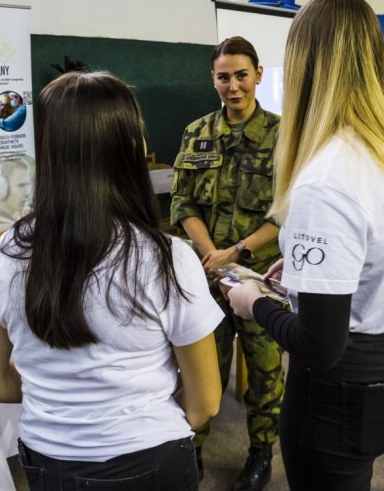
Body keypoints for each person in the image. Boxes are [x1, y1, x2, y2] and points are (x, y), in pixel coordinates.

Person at [0, 71, 223, 491]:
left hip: (49, 459)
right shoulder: (168, 258)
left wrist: (62, 402)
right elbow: (206, 400)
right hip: (151, 457)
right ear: (129, 150)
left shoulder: (6, 254)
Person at [226, 0, 384, 491]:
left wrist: (252, 302)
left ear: (303, 66)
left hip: (340, 393)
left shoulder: (326, 179)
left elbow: (320, 345)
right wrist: (302, 279)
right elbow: (377, 260)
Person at [170, 36, 284, 490]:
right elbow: (182, 203)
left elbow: (286, 211)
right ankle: (192, 451)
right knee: (200, 369)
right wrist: (210, 255)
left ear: (258, 74)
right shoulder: (197, 132)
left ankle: (261, 454)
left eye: (241, 75)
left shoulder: (283, 135)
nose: (233, 86)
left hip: (259, 280)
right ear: (213, 79)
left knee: (265, 371)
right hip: (206, 280)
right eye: (224, 77)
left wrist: (235, 253)